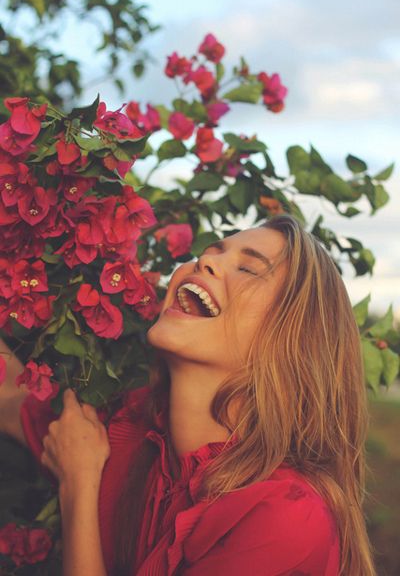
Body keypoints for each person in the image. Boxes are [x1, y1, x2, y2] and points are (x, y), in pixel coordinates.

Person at [0, 215, 376, 576]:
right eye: (210, 252)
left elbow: (74, 461)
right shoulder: (131, 426)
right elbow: (10, 400)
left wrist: (78, 486)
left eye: (248, 269)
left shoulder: (285, 516)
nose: (206, 261)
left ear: (291, 340)